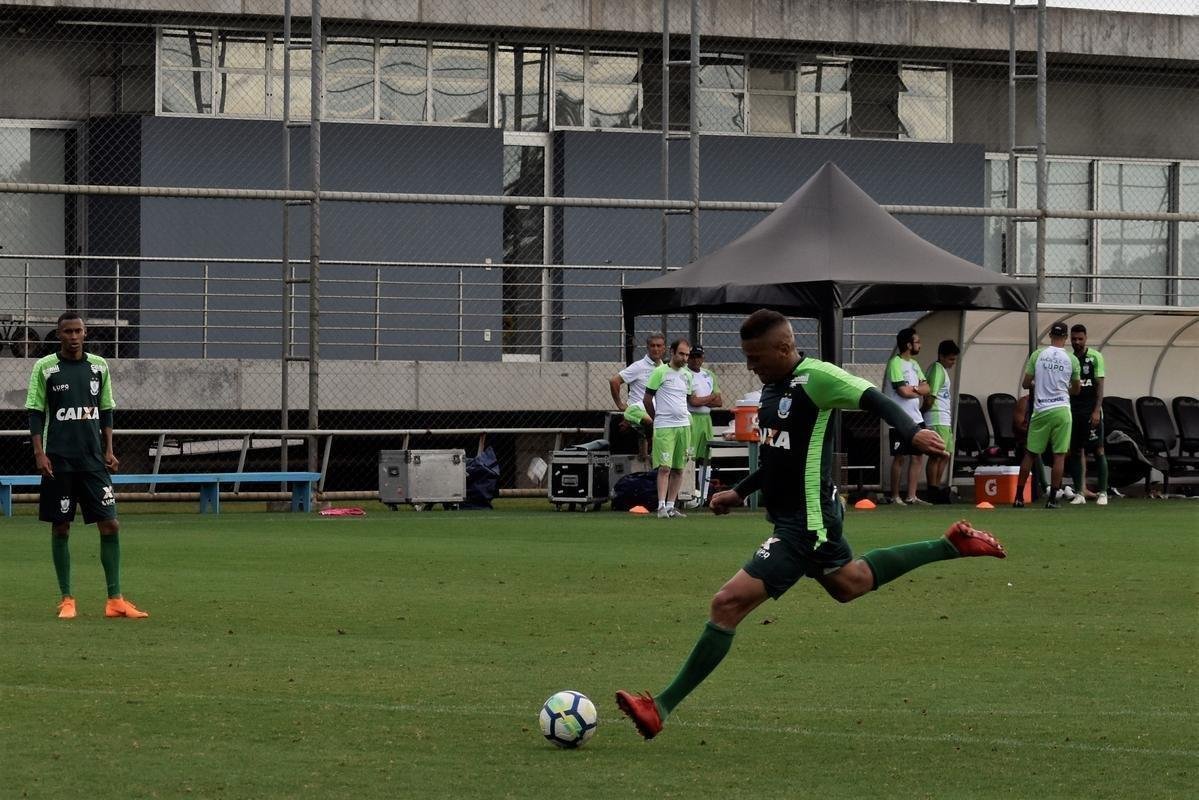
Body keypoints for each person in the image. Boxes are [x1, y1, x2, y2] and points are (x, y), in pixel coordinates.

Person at [615, 310, 1006, 740]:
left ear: (784, 348)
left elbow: (873, 397)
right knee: (849, 583)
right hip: (795, 516)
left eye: (756, 356)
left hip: (806, 522)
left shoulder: (816, 377)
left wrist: (911, 431)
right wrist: (740, 492)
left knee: (726, 604)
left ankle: (661, 707)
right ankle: (949, 545)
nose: (750, 365)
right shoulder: (770, 389)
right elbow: (777, 456)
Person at [25, 312, 149, 620]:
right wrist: (40, 453)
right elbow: (35, 413)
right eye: (67, 331)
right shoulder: (45, 368)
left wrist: (109, 449)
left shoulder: (99, 366)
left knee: (110, 524)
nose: (73, 336)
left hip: (93, 461)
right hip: (59, 460)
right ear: (58, 335)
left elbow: (105, 410)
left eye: (78, 331)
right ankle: (67, 599)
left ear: (85, 333)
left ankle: (115, 599)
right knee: (61, 526)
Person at [1014, 322, 1081, 509]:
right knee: (1059, 455)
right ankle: (1052, 500)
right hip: (1061, 410)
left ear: (1050, 335)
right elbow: (1076, 389)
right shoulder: (1071, 359)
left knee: (1030, 454)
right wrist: (1067, 388)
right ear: (1066, 338)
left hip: (1041, 410)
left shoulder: (1038, 355)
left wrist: (1037, 382)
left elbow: (1026, 384)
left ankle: (1019, 497)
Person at [643, 339, 695, 519]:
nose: (684, 358)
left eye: (687, 354)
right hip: (665, 426)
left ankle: (672, 505)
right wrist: (656, 417)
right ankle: (661, 506)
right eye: (681, 353)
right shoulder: (660, 372)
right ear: (672, 352)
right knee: (664, 467)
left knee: (679, 468)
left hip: (683, 426)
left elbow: (686, 399)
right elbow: (647, 398)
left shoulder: (687, 375)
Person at [883, 328, 931, 505]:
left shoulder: (914, 364)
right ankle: (895, 496)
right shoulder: (895, 363)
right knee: (900, 457)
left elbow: (927, 388)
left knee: (917, 456)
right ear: (908, 345)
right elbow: (902, 391)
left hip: (916, 418)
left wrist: (915, 389)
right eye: (917, 342)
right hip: (899, 418)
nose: (920, 345)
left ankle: (912, 496)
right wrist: (917, 390)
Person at [1066, 324, 1109, 506]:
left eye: (1080, 338)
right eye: (1074, 338)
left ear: (1086, 338)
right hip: (1074, 411)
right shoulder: (1068, 358)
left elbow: (1099, 386)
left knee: (1098, 450)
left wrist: (1096, 410)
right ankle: (1079, 492)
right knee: (1076, 451)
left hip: (1091, 411)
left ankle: (1103, 492)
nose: (1077, 342)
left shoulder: (1095, 357)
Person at [610, 333, 666, 454]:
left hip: (657, 412)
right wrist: (620, 404)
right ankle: (650, 444)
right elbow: (614, 381)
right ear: (647, 347)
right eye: (652, 346)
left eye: (658, 346)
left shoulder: (665, 368)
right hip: (639, 413)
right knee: (649, 423)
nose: (655, 349)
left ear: (664, 348)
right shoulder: (639, 366)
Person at [922, 339, 959, 502]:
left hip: (944, 418)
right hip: (936, 417)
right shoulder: (937, 369)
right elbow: (931, 396)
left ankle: (936, 488)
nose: (953, 362)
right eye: (951, 359)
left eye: (954, 359)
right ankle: (933, 490)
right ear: (941, 356)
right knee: (937, 455)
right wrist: (922, 413)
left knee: (945, 455)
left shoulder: (942, 370)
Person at [686, 346, 722, 506]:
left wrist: (702, 399)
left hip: (706, 419)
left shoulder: (709, 375)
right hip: (691, 418)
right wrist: (710, 397)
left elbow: (719, 401)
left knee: (706, 458)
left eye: (698, 356)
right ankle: (688, 494)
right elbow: (692, 402)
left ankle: (704, 496)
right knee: (689, 457)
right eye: (692, 356)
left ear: (703, 357)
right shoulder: (685, 375)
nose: (695, 360)